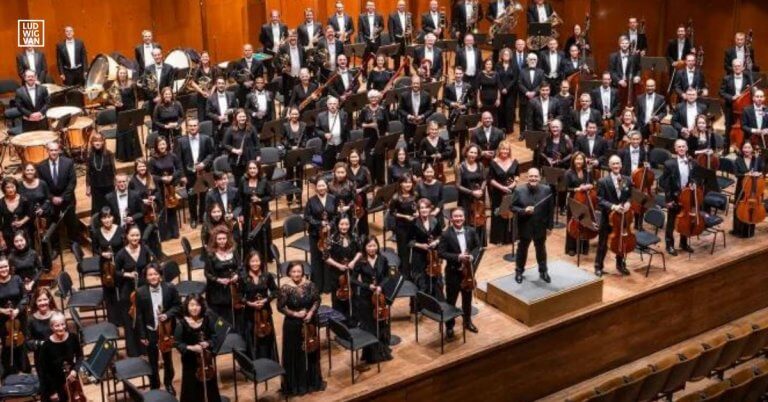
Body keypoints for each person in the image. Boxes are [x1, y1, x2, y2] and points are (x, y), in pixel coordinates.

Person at [278, 262, 324, 396]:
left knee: (311, 352)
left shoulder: (310, 285)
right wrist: (295, 314)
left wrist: (311, 313)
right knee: (295, 354)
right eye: (293, 272)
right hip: (292, 325)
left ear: (303, 272)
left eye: (299, 271)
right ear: (289, 273)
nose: (296, 274)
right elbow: (280, 307)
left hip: (309, 323)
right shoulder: (285, 288)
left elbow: (317, 300)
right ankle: (297, 385)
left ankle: (311, 381)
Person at [135, 264, 181, 395]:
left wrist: (167, 314)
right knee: (153, 360)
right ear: (146, 277)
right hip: (151, 330)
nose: (153, 277)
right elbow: (139, 315)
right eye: (150, 275)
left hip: (166, 330)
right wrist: (142, 335)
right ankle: (154, 385)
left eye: (155, 274)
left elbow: (178, 306)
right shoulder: (140, 292)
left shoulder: (170, 288)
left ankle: (168, 383)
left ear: (160, 275)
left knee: (167, 359)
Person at [438, 208, 481, 339]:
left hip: (467, 272)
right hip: (453, 273)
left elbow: (477, 246)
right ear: (451, 219)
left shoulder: (471, 231)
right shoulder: (446, 234)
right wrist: (458, 257)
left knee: (467, 299)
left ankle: (467, 322)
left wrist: (472, 256)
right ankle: (449, 326)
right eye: (455, 216)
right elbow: (441, 253)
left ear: (464, 217)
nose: (458, 219)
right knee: (451, 300)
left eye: (460, 216)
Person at [351, 236, 393, 366]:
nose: (372, 248)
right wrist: (367, 286)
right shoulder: (361, 262)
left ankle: (381, 351)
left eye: (374, 245)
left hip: (380, 297)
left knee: (381, 323)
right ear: (365, 247)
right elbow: (352, 279)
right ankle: (370, 354)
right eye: (369, 246)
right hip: (366, 299)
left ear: (377, 246)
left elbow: (387, 276)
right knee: (369, 325)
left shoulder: (382, 259)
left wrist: (381, 286)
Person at [115, 225, 156, 357]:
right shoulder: (121, 254)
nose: (135, 238)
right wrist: (127, 274)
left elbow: (152, 264)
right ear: (127, 236)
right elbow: (115, 272)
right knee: (130, 321)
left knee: (143, 318)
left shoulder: (145, 249)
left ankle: (145, 349)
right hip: (128, 292)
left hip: (143, 289)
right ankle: (133, 351)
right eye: (132, 235)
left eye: (137, 235)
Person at [174, 294, 222, 402]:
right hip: (190, 363)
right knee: (192, 391)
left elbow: (215, 337)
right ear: (187, 306)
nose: (194, 308)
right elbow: (177, 343)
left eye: (197, 305)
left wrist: (208, 343)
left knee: (210, 390)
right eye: (191, 305)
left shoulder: (207, 320)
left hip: (206, 362)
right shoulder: (181, 324)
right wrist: (191, 348)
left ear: (202, 306)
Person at [512, 168, 554, 284]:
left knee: (541, 249)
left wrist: (550, 227)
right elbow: (512, 207)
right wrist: (524, 210)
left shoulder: (546, 190)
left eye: (536, 176)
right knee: (522, 249)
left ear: (539, 178)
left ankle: (543, 271)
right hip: (525, 225)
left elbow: (550, 209)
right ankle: (519, 271)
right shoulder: (519, 190)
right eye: (531, 176)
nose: (533, 178)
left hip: (540, 226)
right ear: (527, 177)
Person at [595, 155, 633, 277]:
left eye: (618, 163)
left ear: (621, 165)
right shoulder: (603, 181)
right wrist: (613, 206)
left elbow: (630, 196)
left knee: (621, 241)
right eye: (613, 164)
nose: (616, 166)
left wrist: (628, 203)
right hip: (608, 217)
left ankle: (620, 265)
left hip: (622, 217)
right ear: (609, 166)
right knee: (602, 243)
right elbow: (600, 200)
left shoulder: (626, 179)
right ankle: (598, 266)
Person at [660, 139, 699, 256]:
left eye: (683, 146)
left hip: (687, 197)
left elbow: (695, 178)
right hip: (674, 197)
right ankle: (669, 245)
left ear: (687, 148)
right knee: (671, 223)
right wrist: (668, 200)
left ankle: (683, 243)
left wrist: (694, 183)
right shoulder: (669, 164)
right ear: (675, 149)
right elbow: (665, 184)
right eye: (679, 147)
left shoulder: (693, 163)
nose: (681, 148)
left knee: (686, 220)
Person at [238, 252, 278, 361]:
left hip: (265, 313)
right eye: (252, 261)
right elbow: (239, 295)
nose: (255, 264)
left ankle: (269, 361)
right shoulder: (243, 278)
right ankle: (255, 363)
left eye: (257, 261)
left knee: (267, 337)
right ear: (248, 263)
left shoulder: (267, 276)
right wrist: (249, 303)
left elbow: (275, 291)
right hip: (250, 314)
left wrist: (266, 300)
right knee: (252, 339)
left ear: (261, 262)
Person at [176, 118, 216, 229]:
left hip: (204, 171)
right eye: (190, 126)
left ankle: (202, 217)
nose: (193, 128)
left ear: (198, 126)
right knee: (192, 197)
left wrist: (203, 163)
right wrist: (182, 175)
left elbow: (211, 154)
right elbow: (178, 160)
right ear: (187, 127)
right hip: (189, 174)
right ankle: (193, 218)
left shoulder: (206, 138)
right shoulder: (180, 141)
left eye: (194, 125)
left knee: (204, 195)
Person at [38, 312, 83, 402]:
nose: (61, 328)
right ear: (51, 327)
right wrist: (52, 392)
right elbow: (43, 371)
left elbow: (80, 356)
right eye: (57, 326)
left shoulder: (73, 338)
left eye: (63, 324)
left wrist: (75, 370)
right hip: (54, 383)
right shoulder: (46, 345)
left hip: (71, 379)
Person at [324, 216, 361, 321]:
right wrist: (339, 265)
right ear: (337, 225)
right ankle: (339, 321)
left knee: (353, 296)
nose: (344, 227)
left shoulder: (354, 236)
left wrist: (353, 261)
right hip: (336, 274)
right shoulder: (331, 239)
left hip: (351, 272)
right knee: (337, 298)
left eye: (346, 224)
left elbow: (360, 251)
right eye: (341, 224)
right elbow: (326, 257)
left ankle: (353, 320)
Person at [92, 207, 124, 324]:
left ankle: (123, 317)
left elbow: (125, 246)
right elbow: (95, 248)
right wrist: (102, 254)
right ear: (100, 220)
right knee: (109, 292)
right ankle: (113, 320)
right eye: (104, 218)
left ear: (113, 217)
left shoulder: (120, 230)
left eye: (109, 217)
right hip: (105, 266)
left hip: (119, 264)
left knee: (121, 290)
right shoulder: (97, 232)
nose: (107, 220)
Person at [204, 225, 240, 326]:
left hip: (234, 288)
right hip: (218, 291)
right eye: (219, 239)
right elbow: (207, 273)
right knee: (221, 319)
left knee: (235, 314)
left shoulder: (233, 250)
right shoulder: (211, 254)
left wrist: (237, 275)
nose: (222, 241)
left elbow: (239, 266)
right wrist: (219, 280)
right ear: (215, 240)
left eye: (224, 238)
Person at [0, 256, 30, 377]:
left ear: (9, 267)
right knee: (7, 345)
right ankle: (10, 373)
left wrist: (18, 310)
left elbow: (25, 297)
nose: (3, 269)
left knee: (21, 343)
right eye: (1, 267)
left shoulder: (17, 279)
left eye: (5, 266)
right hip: (2, 320)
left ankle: (24, 369)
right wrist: (2, 310)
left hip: (19, 317)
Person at [409, 199, 444, 300]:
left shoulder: (435, 220)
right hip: (419, 257)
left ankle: (436, 302)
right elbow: (409, 241)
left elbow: (441, 235)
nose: (424, 210)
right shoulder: (413, 223)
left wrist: (436, 242)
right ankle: (420, 305)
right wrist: (420, 245)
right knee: (421, 281)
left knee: (436, 279)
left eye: (426, 207)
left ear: (430, 209)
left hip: (433, 256)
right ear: (418, 210)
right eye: (421, 208)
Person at [149, 136, 183, 240]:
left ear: (167, 144)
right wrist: (161, 178)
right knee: (163, 209)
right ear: (156, 146)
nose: (162, 146)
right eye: (160, 145)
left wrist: (172, 176)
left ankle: (174, 232)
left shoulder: (172, 156)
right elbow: (150, 175)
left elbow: (179, 169)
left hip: (170, 186)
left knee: (172, 208)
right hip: (159, 187)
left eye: (163, 144)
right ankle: (165, 234)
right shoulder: (152, 159)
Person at [240, 161, 272, 262]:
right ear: (247, 169)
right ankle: (249, 259)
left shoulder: (264, 180)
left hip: (261, 213)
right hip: (247, 213)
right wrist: (240, 214)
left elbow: (271, 196)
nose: (252, 170)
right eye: (250, 168)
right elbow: (240, 198)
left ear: (258, 169)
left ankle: (263, 258)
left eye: (254, 168)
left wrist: (260, 199)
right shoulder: (243, 180)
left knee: (262, 236)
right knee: (248, 236)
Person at [488, 140, 518, 245]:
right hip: (498, 192)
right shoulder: (493, 162)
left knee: (510, 213)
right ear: (499, 150)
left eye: (507, 149)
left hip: (510, 191)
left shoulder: (514, 161)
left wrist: (513, 184)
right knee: (498, 214)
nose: (505, 151)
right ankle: (498, 238)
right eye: (503, 149)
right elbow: (491, 179)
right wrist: (502, 187)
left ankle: (511, 238)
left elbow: (517, 175)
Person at [456, 144, 488, 245]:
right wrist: (472, 192)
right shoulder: (460, 167)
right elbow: (458, 186)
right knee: (467, 221)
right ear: (466, 153)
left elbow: (484, 180)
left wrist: (481, 190)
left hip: (479, 198)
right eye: (471, 152)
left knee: (479, 219)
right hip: (465, 199)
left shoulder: (480, 165)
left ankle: (480, 244)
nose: (473, 155)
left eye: (475, 153)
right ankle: (469, 244)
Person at [720, 59, 754, 151]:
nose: (737, 67)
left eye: (739, 66)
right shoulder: (727, 78)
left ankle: (745, 149)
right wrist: (731, 97)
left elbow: (752, 91)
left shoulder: (747, 78)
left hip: (743, 108)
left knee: (746, 128)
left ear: (743, 67)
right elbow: (721, 92)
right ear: (732, 67)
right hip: (730, 107)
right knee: (728, 128)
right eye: (735, 66)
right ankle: (726, 149)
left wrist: (750, 89)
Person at [732, 142, 765, 238]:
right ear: (742, 149)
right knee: (739, 207)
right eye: (745, 147)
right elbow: (736, 174)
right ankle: (737, 230)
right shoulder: (738, 160)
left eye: (749, 147)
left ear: (752, 149)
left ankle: (750, 231)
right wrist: (746, 174)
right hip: (742, 187)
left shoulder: (756, 159)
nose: (746, 149)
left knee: (753, 208)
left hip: (754, 189)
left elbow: (762, 170)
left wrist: (759, 173)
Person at [564, 152, 594, 256]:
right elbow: (564, 188)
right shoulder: (568, 173)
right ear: (573, 160)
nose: (579, 161)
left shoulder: (587, 172)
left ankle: (584, 247)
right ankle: (571, 247)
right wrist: (576, 189)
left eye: (581, 159)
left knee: (585, 223)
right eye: (577, 159)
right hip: (574, 201)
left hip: (586, 201)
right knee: (573, 223)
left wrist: (590, 186)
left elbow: (592, 184)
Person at [389, 174, 419, 279]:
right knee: (403, 251)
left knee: (414, 249)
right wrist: (405, 216)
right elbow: (392, 212)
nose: (408, 184)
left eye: (410, 182)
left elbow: (417, 207)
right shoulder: (396, 197)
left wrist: (417, 212)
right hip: (401, 227)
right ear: (401, 184)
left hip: (414, 226)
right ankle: (405, 275)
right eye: (405, 182)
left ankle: (414, 272)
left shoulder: (415, 194)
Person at [358, 90, 389, 185]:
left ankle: (380, 182)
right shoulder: (364, 110)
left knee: (380, 161)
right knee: (370, 162)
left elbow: (387, 124)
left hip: (380, 139)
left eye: (375, 97)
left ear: (378, 98)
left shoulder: (383, 109)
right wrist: (369, 125)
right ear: (369, 99)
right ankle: (371, 183)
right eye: (372, 97)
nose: (374, 99)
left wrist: (386, 135)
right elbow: (359, 123)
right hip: (368, 139)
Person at [113, 66, 143, 161]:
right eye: (121, 73)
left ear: (127, 74)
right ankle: (122, 156)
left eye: (124, 73)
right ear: (118, 74)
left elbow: (136, 97)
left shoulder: (132, 84)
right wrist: (114, 103)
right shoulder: (114, 85)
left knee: (131, 131)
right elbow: (110, 98)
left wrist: (135, 110)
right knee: (122, 131)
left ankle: (133, 154)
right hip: (120, 111)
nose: (123, 75)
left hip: (130, 110)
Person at [223, 108, 261, 182]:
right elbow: (225, 144)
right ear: (236, 118)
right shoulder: (230, 130)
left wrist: (258, 156)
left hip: (250, 158)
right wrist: (235, 150)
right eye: (240, 117)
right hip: (236, 160)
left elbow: (257, 143)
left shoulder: (251, 128)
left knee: (251, 180)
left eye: (244, 116)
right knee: (239, 181)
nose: (242, 118)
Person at [397, 75, 433, 151]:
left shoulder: (426, 95)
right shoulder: (404, 95)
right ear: (411, 84)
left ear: (420, 84)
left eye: (417, 83)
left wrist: (422, 116)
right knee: (409, 148)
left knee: (421, 147)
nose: (415, 85)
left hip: (421, 125)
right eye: (414, 83)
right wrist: (408, 116)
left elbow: (430, 109)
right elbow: (400, 109)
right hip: (408, 126)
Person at [25, 287, 57, 371]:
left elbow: (66, 334)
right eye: (39, 300)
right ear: (35, 302)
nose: (43, 303)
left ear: (49, 299)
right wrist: (41, 343)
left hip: (58, 355)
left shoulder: (57, 315)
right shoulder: (31, 319)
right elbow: (27, 342)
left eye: (45, 299)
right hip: (41, 358)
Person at [85, 132, 117, 216]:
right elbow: (88, 172)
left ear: (103, 142)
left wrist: (116, 182)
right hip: (96, 187)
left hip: (109, 186)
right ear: (92, 143)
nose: (97, 143)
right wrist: (87, 186)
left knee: (110, 207)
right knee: (97, 209)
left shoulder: (109, 154)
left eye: (99, 141)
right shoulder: (89, 156)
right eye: (95, 141)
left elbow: (113, 170)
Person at [316, 96, 350, 170]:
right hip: (328, 146)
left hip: (340, 145)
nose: (332, 106)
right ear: (327, 105)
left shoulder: (344, 114)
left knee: (341, 168)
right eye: (330, 104)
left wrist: (347, 146)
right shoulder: (320, 116)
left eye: (334, 104)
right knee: (327, 168)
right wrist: (324, 134)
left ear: (338, 105)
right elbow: (317, 129)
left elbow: (347, 131)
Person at [0, 177, 33, 252]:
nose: (10, 189)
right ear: (4, 189)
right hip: (8, 234)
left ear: (16, 187)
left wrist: (22, 221)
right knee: (10, 255)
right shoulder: (1, 203)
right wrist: (1, 240)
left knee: (26, 253)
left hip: (23, 232)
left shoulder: (24, 199)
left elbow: (30, 213)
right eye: (7, 187)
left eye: (12, 187)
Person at [347, 150, 373, 237]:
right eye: (352, 157)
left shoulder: (364, 169)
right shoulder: (346, 169)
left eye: (356, 157)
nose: (354, 159)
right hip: (349, 197)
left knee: (362, 217)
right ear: (349, 158)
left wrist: (361, 189)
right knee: (350, 216)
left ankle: (363, 236)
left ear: (359, 157)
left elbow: (370, 184)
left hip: (361, 198)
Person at [206, 77, 238, 145]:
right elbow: (208, 112)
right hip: (218, 126)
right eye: (219, 83)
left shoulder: (231, 95)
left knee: (232, 144)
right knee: (219, 146)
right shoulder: (210, 98)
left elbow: (237, 108)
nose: (221, 85)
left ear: (225, 85)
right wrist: (217, 117)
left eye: (223, 83)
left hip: (230, 124)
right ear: (216, 85)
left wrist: (232, 110)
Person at [190, 51, 219, 123]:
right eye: (203, 57)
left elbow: (215, 83)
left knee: (212, 115)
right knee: (202, 116)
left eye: (206, 57)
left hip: (212, 96)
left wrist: (211, 93)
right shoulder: (198, 69)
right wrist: (202, 92)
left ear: (209, 58)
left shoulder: (213, 68)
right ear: (200, 58)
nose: (205, 58)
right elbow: (192, 83)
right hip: (201, 96)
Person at [518, 54, 545, 132]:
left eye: (534, 59)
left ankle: (534, 133)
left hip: (536, 98)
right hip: (524, 98)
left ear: (537, 61)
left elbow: (542, 84)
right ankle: (522, 134)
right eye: (531, 59)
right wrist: (526, 92)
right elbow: (519, 83)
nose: (533, 61)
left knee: (535, 117)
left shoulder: (541, 72)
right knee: (523, 118)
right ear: (527, 61)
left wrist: (534, 92)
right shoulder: (522, 71)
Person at [497, 47, 518, 133]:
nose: (506, 56)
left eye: (508, 54)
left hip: (511, 91)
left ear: (510, 56)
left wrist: (507, 88)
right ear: (502, 56)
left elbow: (515, 79)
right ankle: (501, 128)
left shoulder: (514, 65)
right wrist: (502, 88)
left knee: (509, 110)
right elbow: (497, 78)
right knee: (501, 109)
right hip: (500, 91)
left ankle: (509, 129)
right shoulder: (498, 65)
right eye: (504, 54)